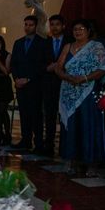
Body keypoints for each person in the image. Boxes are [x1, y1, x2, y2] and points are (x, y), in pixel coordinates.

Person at [57, 19, 105, 177]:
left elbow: (104, 67)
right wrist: (67, 77)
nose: (78, 31)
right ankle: (72, 160)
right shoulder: (68, 46)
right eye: (75, 29)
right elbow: (59, 66)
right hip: (69, 91)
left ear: (88, 31)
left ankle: (91, 163)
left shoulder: (96, 47)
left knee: (89, 125)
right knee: (71, 126)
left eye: (81, 29)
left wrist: (85, 78)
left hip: (88, 91)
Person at [9, 15, 48, 152]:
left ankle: (38, 142)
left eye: (30, 25)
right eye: (26, 24)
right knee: (24, 113)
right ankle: (25, 140)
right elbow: (14, 63)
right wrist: (16, 79)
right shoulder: (18, 43)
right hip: (20, 85)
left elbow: (43, 64)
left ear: (35, 26)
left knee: (36, 114)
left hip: (35, 85)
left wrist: (29, 78)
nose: (27, 27)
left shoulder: (43, 43)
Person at [41, 14, 67, 157]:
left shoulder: (70, 42)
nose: (55, 27)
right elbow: (39, 63)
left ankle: (65, 145)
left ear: (63, 26)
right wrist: (47, 68)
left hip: (66, 82)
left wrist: (60, 66)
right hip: (49, 84)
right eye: (52, 25)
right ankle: (49, 145)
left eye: (57, 24)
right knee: (49, 116)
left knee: (64, 116)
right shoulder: (45, 43)